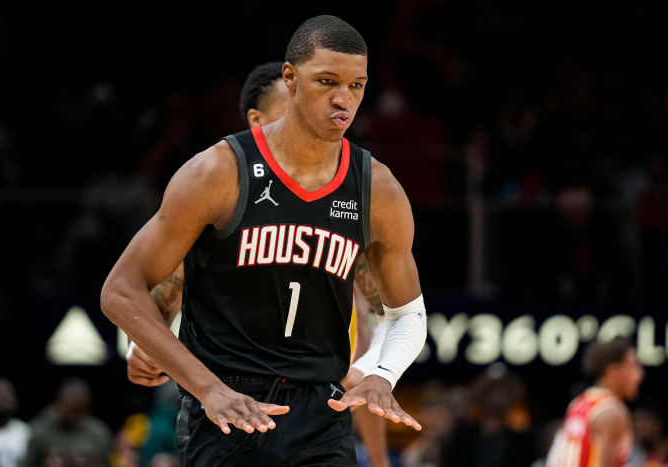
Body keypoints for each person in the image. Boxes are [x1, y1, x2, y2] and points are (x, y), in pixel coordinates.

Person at [101, 15, 427, 465]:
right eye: (327, 82)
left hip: (322, 409)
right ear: (290, 78)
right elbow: (120, 290)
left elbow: (407, 313)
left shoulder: (378, 189)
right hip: (226, 404)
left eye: (357, 86)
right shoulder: (219, 171)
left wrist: (381, 374)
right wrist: (205, 386)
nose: (342, 100)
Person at [545, 337, 644, 467]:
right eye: (633, 366)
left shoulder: (579, 403)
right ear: (613, 371)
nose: (640, 374)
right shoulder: (612, 412)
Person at [25, 378, 112, 467]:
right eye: (69, 409)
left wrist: (91, 463)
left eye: (78, 410)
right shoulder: (41, 429)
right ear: (58, 403)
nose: (72, 416)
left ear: (87, 407)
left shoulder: (99, 432)